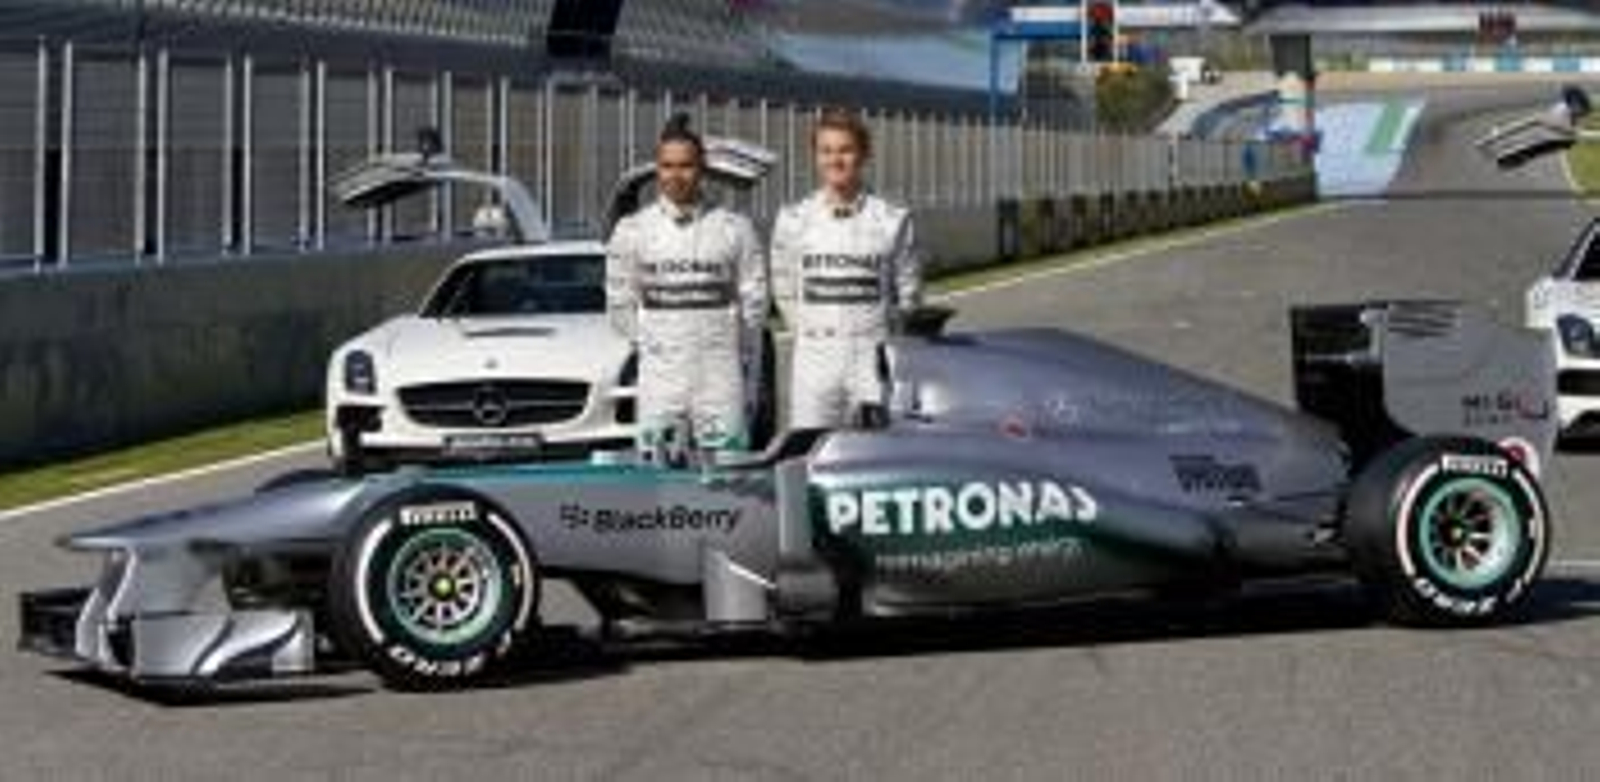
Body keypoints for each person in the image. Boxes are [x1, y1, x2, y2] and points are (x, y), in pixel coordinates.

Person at [606, 115, 767, 459]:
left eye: (685, 166)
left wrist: (731, 351)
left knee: (732, 476)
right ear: (657, 169)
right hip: (660, 380)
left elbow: (755, 303)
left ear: (702, 168)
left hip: (720, 377)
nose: (675, 175)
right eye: (667, 166)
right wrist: (655, 344)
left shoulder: (735, 228)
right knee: (656, 478)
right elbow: (620, 304)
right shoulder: (632, 231)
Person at [772, 107, 923, 430]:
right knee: (812, 456)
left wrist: (883, 336)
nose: (835, 160)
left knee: (876, 456)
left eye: (845, 150)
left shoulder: (893, 219)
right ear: (815, 156)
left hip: (873, 357)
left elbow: (909, 293)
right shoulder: (793, 220)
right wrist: (810, 331)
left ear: (864, 154)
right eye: (826, 151)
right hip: (814, 357)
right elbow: (783, 286)